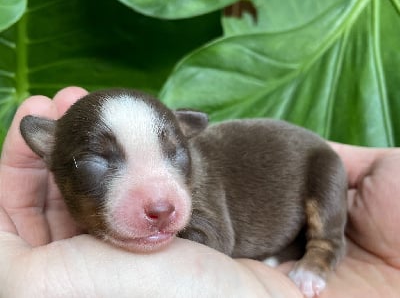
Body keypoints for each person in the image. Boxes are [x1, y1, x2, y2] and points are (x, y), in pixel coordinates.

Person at [0, 87, 399, 298]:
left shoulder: (203, 190)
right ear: (51, 155)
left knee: (324, 165)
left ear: (186, 139)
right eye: (97, 163)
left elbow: (216, 239)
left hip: (310, 165)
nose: (159, 200)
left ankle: (323, 251)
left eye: (173, 155)